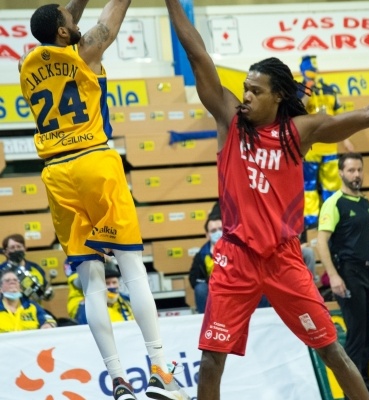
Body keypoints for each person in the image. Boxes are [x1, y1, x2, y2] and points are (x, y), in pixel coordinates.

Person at [164, 1, 369, 399]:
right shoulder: (230, 120)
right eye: (245, 88)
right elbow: (197, 53)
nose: (246, 96)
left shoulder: (298, 132)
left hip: (284, 258)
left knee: (333, 352)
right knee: (211, 359)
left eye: (256, 91)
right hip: (236, 257)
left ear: (277, 97)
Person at [19, 2, 189, 400]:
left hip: (56, 174)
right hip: (94, 161)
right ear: (64, 31)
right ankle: (160, 370)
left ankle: (118, 381)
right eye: (69, 20)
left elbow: (64, 17)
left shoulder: (28, 65)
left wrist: (65, 16)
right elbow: (108, 22)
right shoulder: (85, 53)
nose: (75, 20)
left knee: (90, 280)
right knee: (132, 268)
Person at [317, 153, 369, 400]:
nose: (356, 175)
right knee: (356, 337)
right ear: (340, 173)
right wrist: (334, 276)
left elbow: (367, 243)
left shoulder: (364, 203)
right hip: (348, 273)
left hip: (367, 272)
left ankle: (364, 389)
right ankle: (352, 395)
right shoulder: (334, 203)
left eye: (359, 170)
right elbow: (321, 242)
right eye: (351, 170)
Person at [298, 55, 353, 229]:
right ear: (302, 71)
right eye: (309, 70)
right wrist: (308, 89)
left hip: (330, 146)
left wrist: (346, 139)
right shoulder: (298, 89)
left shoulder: (329, 90)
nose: (312, 73)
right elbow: (298, 109)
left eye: (313, 70)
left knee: (332, 185)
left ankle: (332, 217)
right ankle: (311, 221)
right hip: (310, 148)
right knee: (309, 185)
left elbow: (340, 118)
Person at [76, 260, 134, 324]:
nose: (112, 287)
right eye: (107, 283)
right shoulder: (89, 307)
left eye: (114, 282)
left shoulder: (127, 299)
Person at [0, 233, 53, 303]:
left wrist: (48, 294)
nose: (16, 250)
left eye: (19, 247)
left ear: (25, 249)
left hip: (34, 308)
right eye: (12, 247)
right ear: (5, 252)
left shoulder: (36, 268)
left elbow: (44, 292)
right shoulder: (1, 271)